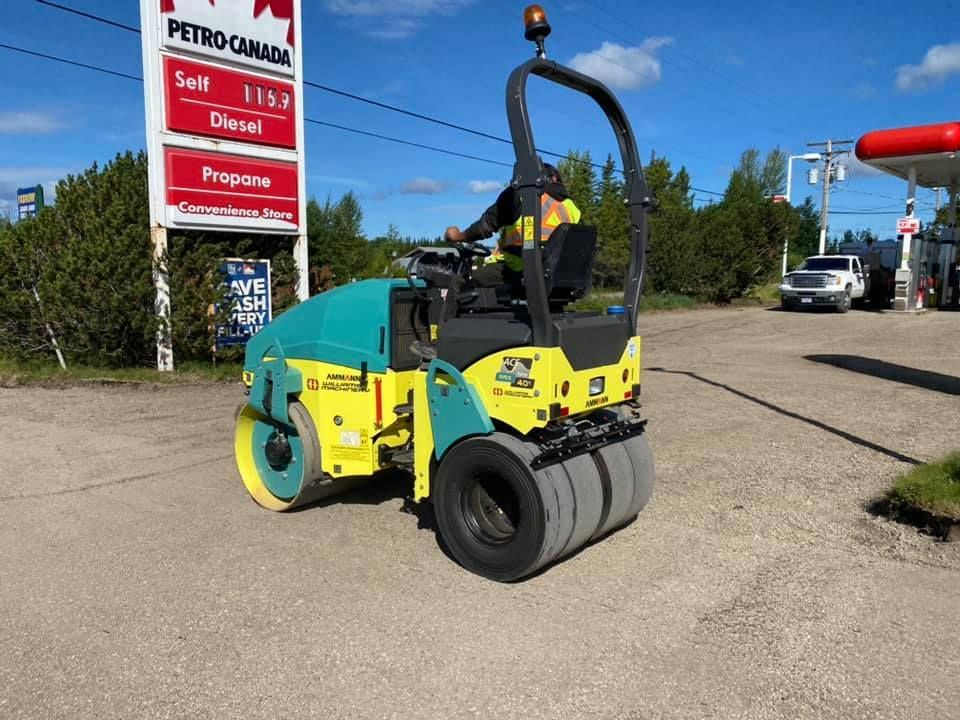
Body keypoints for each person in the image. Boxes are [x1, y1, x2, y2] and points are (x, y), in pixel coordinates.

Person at [411, 163, 581, 359]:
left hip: (519, 270)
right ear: (555, 179)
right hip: (555, 277)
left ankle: (440, 346)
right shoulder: (571, 207)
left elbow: (485, 227)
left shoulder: (522, 195)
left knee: (458, 282)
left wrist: (458, 236)